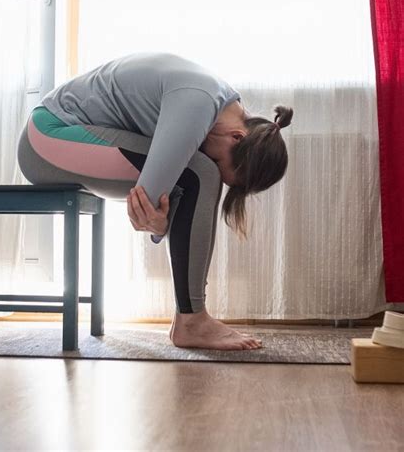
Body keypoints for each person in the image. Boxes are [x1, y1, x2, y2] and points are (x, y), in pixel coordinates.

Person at [17, 52, 293, 351]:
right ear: (238, 137)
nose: (211, 157)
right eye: (220, 159)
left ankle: (190, 318)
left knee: (198, 171)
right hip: (46, 138)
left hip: (61, 134)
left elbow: (155, 201)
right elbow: (144, 206)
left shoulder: (216, 101)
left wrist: (160, 222)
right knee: (202, 173)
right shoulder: (198, 103)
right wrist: (159, 224)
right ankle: (192, 321)